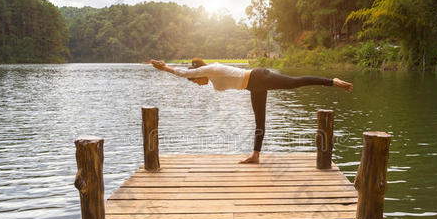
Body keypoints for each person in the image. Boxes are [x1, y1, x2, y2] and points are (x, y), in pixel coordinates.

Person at [150, 57, 353, 164]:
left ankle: (332, 81)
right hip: (253, 86)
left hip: (258, 77)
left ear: (197, 75)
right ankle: (256, 155)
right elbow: (189, 72)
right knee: (260, 121)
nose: (199, 85)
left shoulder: (210, 69)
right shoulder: (210, 76)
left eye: (196, 82)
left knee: (294, 83)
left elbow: (184, 72)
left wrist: (165, 67)